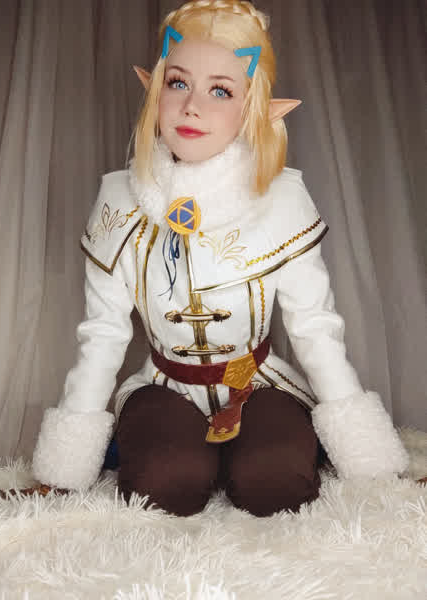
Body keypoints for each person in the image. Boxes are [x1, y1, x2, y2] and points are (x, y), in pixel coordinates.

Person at [32, 0, 409, 517]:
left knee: (275, 482)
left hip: (256, 383)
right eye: (178, 83)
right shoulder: (119, 199)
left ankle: (251, 448)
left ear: (252, 107)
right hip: (164, 385)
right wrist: (65, 468)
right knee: (166, 485)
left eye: (220, 91)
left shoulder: (282, 198)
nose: (192, 107)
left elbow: (315, 327)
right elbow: (103, 333)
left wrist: (368, 460)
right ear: (156, 89)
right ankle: (185, 452)